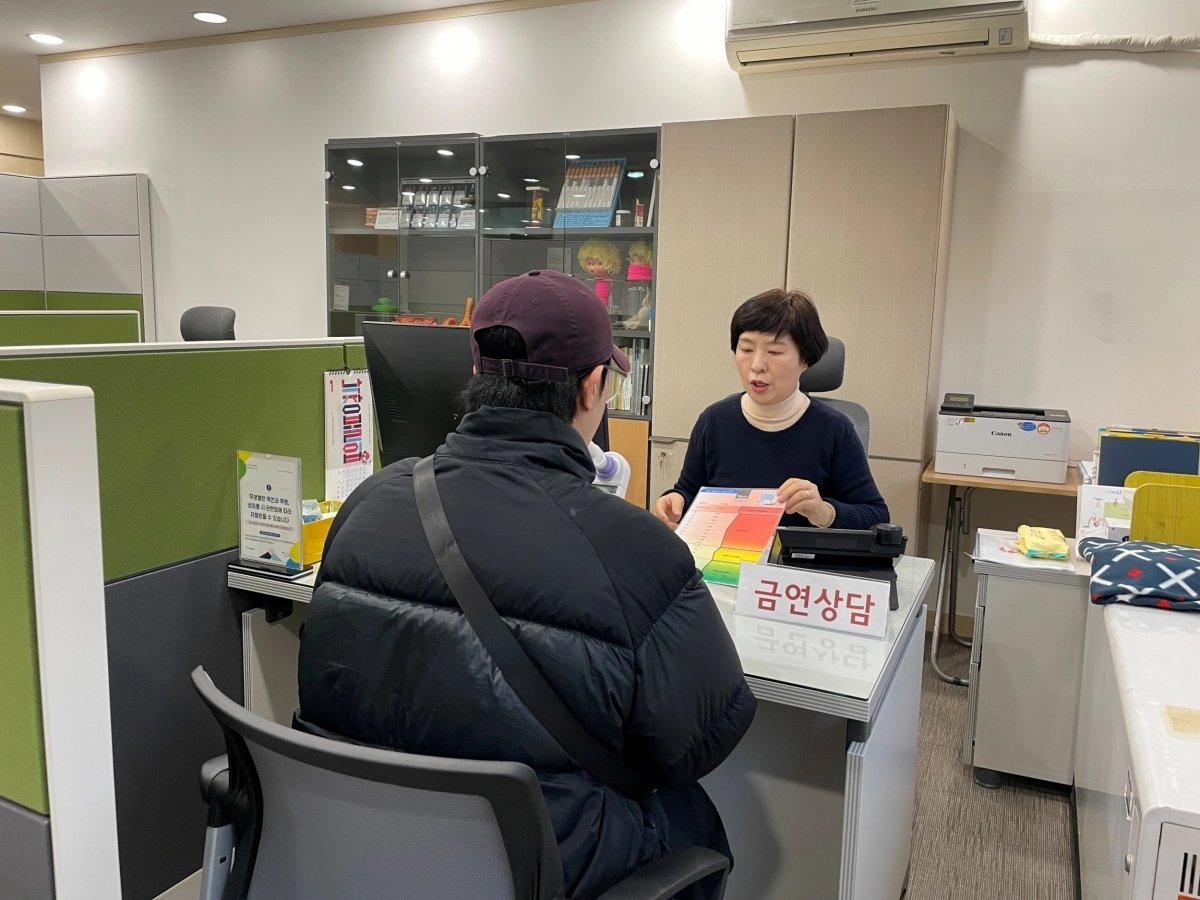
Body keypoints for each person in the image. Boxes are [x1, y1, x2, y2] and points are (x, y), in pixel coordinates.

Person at [297, 270, 756, 900]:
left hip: (362, 841)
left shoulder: (370, 500)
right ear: (594, 385)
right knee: (695, 821)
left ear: (476, 376)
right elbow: (697, 742)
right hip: (530, 861)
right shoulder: (634, 547)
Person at [655, 287, 888, 531]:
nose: (756, 365)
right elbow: (690, 491)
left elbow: (876, 515)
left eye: (774, 352)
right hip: (728, 564)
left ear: (805, 360)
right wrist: (676, 500)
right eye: (746, 350)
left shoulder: (834, 429)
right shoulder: (713, 421)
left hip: (799, 566)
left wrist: (824, 512)